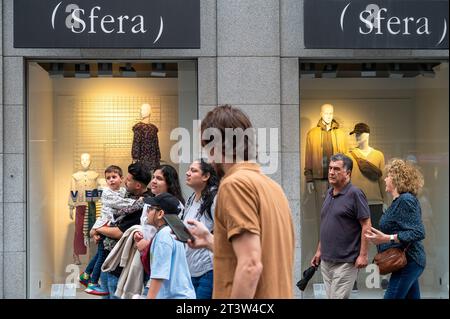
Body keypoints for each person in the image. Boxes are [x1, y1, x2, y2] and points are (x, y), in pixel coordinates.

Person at [195, 104, 295, 298]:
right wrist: (209, 241)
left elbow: (250, 265)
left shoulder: (234, 184)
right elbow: (260, 256)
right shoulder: (273, 188)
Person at [310, 153, 371, 299]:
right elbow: (327, 225)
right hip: (326, 261)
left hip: (345, 263)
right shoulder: (329, 193)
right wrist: (319, 250)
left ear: (348, 173)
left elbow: (366, 225)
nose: (331, 172)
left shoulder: (355, 194)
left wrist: (363, 255)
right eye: (330, 168)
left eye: (336, 169)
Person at [365, 159, 426, 299]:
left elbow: (418, 232)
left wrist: (387, 238)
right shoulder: (397, 202)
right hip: (406, 262)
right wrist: (381, 238)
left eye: (388, 176)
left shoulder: (406, 200)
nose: (385, 179)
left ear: (396, 179)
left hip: (409, 260)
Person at [92, 161, 152, 299]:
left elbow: (119, 233)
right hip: (111, 259)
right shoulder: (125, 194)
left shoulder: (143, 203)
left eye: (128, 179)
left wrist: (97, 229)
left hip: (121, 266)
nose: (124, 181)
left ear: (137, 185)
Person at [79, 165, 138, 296]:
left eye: (114, 177)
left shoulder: (123, 191)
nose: (111, 180)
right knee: (102, 255)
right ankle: (93, 282)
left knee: (100, 254)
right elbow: (121, 204)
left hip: (109, 226)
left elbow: (124, 199)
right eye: (108, 178)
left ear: (121, 178)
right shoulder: (107, 192)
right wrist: (138, 203)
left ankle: (86, 274)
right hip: (105, 224)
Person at [133, 164, 185, 296]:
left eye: (159, 178)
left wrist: (147, 243)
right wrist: (139, 237)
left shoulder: (175, 206)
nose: (154, 181)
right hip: (147, 261)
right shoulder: (150, 203)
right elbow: (146, 227)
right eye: (153, 177)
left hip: (164, 269)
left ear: (169, 183)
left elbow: (172, 234)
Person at [304, 103, 348, 238]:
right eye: (326, 113)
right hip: (319, 179)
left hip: (338, 179)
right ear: (321, 114)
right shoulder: (312, 134)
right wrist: (309, 178)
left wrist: (346, 177)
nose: (328, 116)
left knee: (339, 211)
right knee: (321, 213)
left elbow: (345, 156)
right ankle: (322, 243)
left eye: (331, 113)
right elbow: (309, 156)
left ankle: (337, 242)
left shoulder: (340, 134)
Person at [144, 193, 196, 299]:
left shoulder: (163, 236)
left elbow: (159, 275)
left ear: (160, 213)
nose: (147, 212)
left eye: (150, 209)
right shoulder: (171, 232)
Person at [182, 159, 219, 299]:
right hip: (191, 269)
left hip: (209, 270)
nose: (187, 173)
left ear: (206, 176)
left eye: (193, 170)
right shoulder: (191, 199)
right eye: (189, 169)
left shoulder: (215, 198)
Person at [347, 123, 386, 228]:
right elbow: (346, 181)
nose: (357, 137)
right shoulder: (349, 156)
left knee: (376, 236)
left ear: (367, 135)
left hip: (376, 203)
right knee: (357, 238)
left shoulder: (379, 155)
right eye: (355, 134)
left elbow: (382, 180)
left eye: (359, 134)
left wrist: (386, 201)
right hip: (355, 203)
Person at [68, 153, 99, 265]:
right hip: (80, 205)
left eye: (87, 159)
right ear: (80, 161)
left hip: (91, 205)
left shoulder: (95, 175)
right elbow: (73, 191)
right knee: (78, 230)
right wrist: (71, 207)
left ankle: (92, 255)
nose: (85, 162)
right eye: (82, 160)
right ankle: (76, 254)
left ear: (90, 161)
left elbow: (97, 190)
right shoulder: (75, 176)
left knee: (92, 229)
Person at [132, 103, 161, 171]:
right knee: (142, 179)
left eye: (145, 109)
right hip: (142, 160)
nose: (142, 111)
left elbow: (156, 145)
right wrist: (135, 159)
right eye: (141, 110)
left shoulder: (153, 128)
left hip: (152, 160)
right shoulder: (138, 127)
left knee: (151, 178)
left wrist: (158, 158)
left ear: (150, 112)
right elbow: (136, 144)